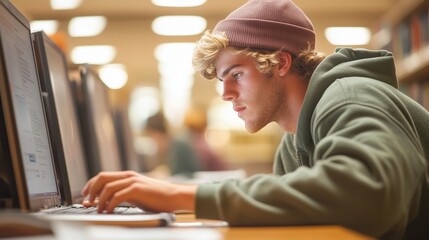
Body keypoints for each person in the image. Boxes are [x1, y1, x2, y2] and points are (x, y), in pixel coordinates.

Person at [81, 0, 429, 239]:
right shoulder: (293, 145)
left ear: (279, 64)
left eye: (236, 74)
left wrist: (182, 195)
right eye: (222, 80)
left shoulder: (351, 97)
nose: (225, 93)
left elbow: (368, 196)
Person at [141, 112, 200, 178]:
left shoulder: (180, 147)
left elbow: (193, 173)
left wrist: (167, 173)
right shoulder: (159, 150)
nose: (152, 140)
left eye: (152, 135)